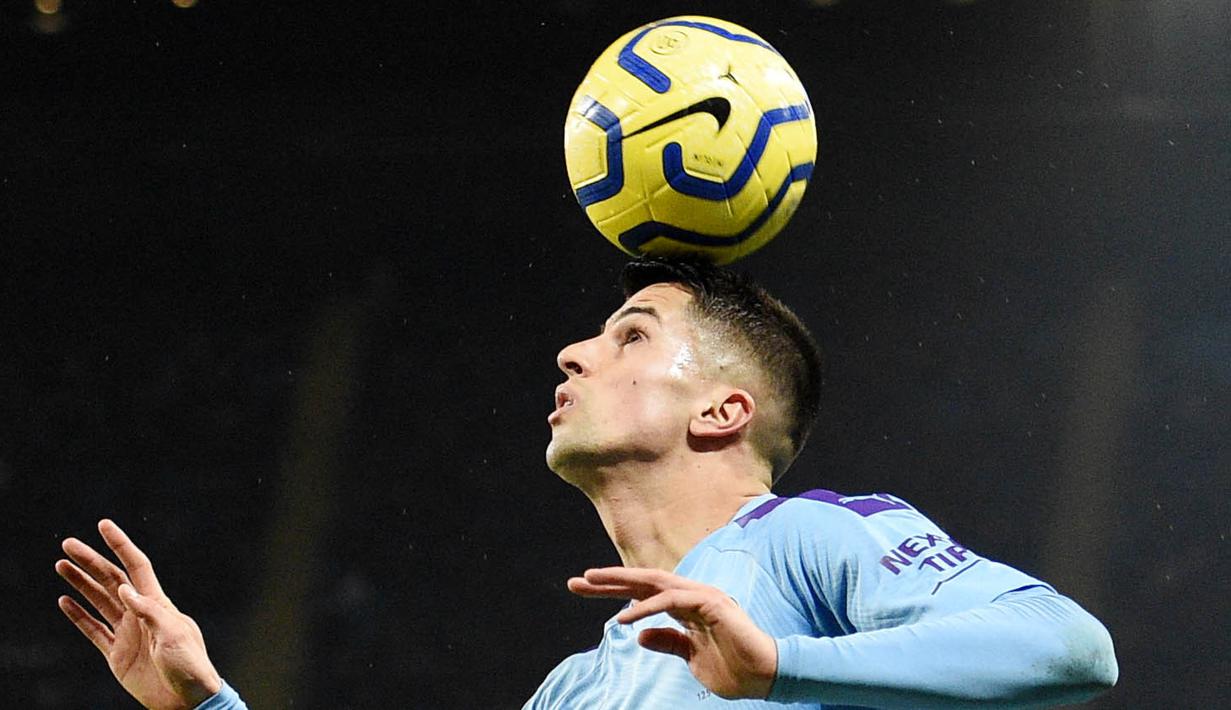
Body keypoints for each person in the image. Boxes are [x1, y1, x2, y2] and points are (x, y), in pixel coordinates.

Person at [56, 257, 1119, 708]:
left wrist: (781, 666)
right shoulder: (575, 687)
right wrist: (207, 699)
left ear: (722, 410)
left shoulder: (808, 540)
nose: (572, 352)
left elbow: (1073, 649)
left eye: (629, 335)